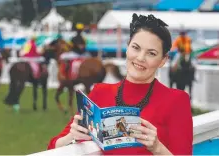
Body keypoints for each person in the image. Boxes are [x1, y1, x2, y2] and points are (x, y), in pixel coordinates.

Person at [48, 13, 193, 155]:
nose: (140, 58)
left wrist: (157, 148)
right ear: (128, 47)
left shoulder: (177, 100)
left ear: (163, 60)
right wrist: (72, 136)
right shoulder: (100, 92)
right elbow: (53, 146)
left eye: (151, 53)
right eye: (136, 48)